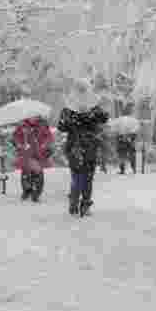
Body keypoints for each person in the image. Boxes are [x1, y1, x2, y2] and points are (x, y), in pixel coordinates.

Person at [57, 78, 109, 217]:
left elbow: (61, 126)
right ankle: (83, 204)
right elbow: (104, 117)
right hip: (87, 145)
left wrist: (73, 120)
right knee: (86, 177)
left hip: (76, 146)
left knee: (78, 176)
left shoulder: (71, 107)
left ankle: (75, 202)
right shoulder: (91, 106)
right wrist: (91, 115)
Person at [13, 116, 54, 202]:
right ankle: (27, 190)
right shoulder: (22, 125)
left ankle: (37, 192)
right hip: (26, 152)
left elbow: (49, 137)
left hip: (39, 153)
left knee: (38, 173)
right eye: (31, 117)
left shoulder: (42, 124)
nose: (32, 118)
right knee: (26, 172)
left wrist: (44, 145)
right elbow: (16, 136)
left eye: (34, 117)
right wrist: (20, 144)